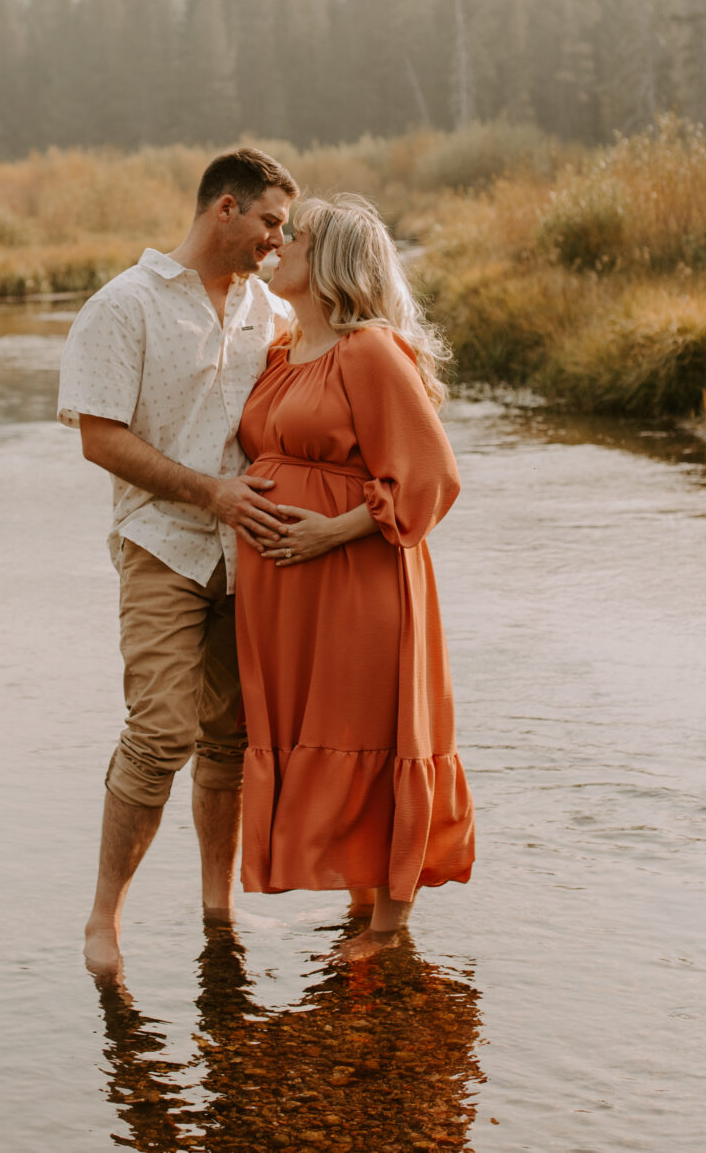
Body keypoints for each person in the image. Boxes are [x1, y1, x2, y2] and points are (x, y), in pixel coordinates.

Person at [57, 146, 299, 979]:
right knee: (160, 733)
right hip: (162, 542)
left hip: (249, 555)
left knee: (230, 740)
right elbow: (99, 437)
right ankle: (104, 919)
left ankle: (217, 911)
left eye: (286, 226)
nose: (279, 238)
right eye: (270, 221)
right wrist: (212, 493)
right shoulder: (124, 305)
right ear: (223, 208)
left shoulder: (269, 310)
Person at [234, 192, 471, 958]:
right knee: (329, 729)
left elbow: (432, 474)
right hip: (295, 595)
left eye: (291, 235)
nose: (278, 244)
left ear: (326, 260)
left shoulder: (367, 350)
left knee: (375, 729)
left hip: (360, 580)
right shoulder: (282, 350)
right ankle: (362, 904)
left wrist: (330, 532)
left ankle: (390, 926)